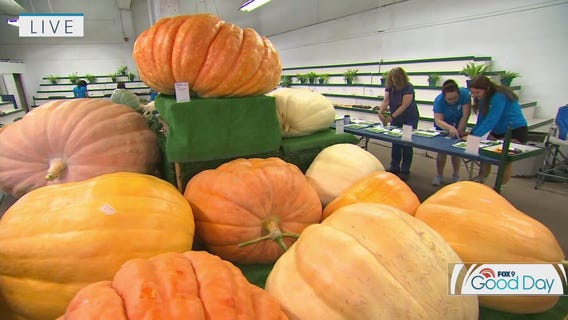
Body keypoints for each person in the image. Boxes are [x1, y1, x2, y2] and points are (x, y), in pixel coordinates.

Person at [468, 75, 528, 182]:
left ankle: (499, 188)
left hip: (515, 130)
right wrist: (472, 135)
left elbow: (492, 119)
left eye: (477, 93)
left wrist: (474, 138)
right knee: (484, 154)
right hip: (497, 130)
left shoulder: (499, 96)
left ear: (487, 89)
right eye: (472, 93)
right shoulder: (483, 98)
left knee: (504, 160)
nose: (475, 96)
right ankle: (481, 180)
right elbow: (481, 120)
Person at [377, 67, 420, 181]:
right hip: (396, 117)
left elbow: (404, 105)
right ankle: (394, 166)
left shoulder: (408, 87)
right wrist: (380, 112)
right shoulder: (390, 87)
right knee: (395, 141)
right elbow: (386, 100)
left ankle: (405, 169)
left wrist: (391, 117)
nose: (394, 82)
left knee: (406, 143)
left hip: (409, 117)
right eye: (392, 79)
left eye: (396, 79)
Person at [431, 79, 471, 186]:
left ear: (459, 93)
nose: (453, 101)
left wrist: (459, 130)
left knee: (455, 152)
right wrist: (449, 128)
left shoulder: (465, 94)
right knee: (442, 151)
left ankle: (456, 175)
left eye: (455, 98)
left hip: (459, 123)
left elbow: (465, 114)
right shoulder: (439, 101)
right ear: (444, 96)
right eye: (449, 99)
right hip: (444, 126)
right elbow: (438, 120)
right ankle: (439, 175)